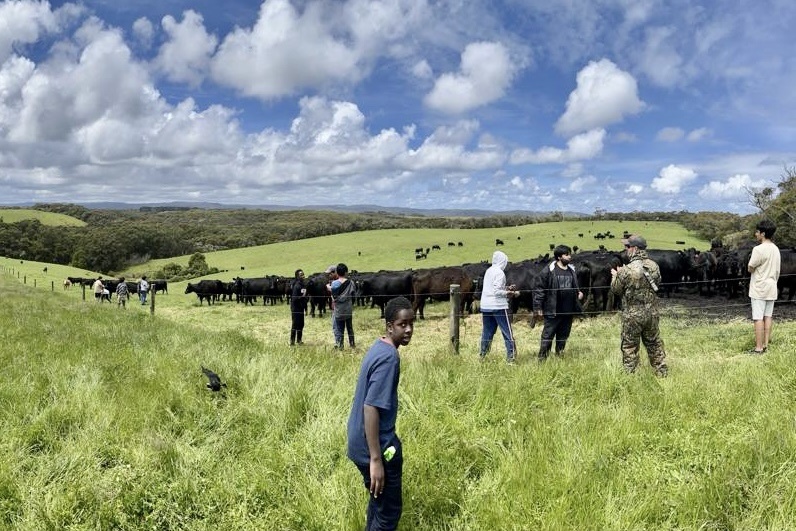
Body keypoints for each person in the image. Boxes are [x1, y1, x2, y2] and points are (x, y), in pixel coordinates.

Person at [347, 296, 414, 531]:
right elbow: (371, 407)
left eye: (411, 323)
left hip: (359, 442)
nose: (408, 330)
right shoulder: (389, 358)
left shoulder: (379, 346)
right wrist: (376, 460)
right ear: (389, 326)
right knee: (389, 514)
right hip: (374, 447)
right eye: (402, 324)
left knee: (378, 503)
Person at [610, 235, 668, 377]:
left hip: (632, 316)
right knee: (654, 343)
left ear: (635, 249)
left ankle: (630, 376)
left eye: (627, 247)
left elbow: (616, 290)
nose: (626, 250)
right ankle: (661, 372)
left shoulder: (626, 270)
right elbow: (657, 283)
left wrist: (615, 276)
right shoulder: (654, 266)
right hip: (652, 314)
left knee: (629, 346)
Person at [532, 244, 584, 360]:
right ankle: (542, 359)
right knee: (548, 335)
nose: (569, 257)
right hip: (553, 310)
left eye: (569, 254)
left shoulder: (572, 270)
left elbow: (574, 287)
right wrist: (538, 308)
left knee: (563, 335)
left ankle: (559, 356)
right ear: (559, 257)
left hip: (568, 311)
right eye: (567, 255)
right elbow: (539, 289)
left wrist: (578, 293)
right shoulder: (549, 271)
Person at [747, 219, 781, 354]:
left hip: (759, 287)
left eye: (757, 232)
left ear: (763, 233)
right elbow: (777, 270)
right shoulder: (776, 249)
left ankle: (758, 348)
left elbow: (750, 267)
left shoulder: (758, 249)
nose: (756, 234)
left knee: (758, 317)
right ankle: (766, 344)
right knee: (768, 316)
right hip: (772, 285)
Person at [479, 250, 519, 363]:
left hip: (486, 305)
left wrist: (506, 288)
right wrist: (510, 293)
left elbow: (492, 288)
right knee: (507, 332)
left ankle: (483, 355)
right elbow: (497, 291)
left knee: (487, 332)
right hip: (498, 306)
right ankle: (511, 357)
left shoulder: (489, 271)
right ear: (503, 261)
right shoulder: (500, 273)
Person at [331, 263, 356, 349]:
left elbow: (334, 296)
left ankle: (340, 345)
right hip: (348, 309)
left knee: (339, 329)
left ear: (337, 273)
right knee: (350, 328)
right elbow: (353, 295)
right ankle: (352, 344)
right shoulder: (351, 283)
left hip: (339, 310)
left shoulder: (334, 284)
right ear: (346, 272)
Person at [290, 269, 308, 346]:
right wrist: (302, 297)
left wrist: (306, 308)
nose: (303, 276)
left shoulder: (303, 285)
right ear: (297, 277)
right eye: (301, 275)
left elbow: (305, 298)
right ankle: (292, 341)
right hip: (296, 308)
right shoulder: (296, 286)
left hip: (301, 308)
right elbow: (294, 298)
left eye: (303, 274)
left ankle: (299, 340)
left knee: (301, 324)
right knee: (295, 324)